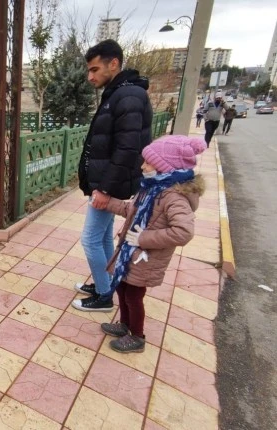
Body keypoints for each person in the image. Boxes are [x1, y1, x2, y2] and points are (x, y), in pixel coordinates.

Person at [95, 135, 206, 353]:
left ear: (165, 167)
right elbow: (131, 211)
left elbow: (183, 232)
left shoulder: (174, 197)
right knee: (123, 288)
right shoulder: (151, 189)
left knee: (134, 297)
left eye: (148, 162)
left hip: (146, 258)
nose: (143, 165)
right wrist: (109, 204)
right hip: (131, 253)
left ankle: (137, 337)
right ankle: (125, 325)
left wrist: (143, 239)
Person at [72, 39, 153, 312]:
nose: (90, 76)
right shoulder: (119, 93)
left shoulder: (127, 95)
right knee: (104, 237)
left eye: (95, 69)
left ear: (114, 63)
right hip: (110, 181)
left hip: (112, 184)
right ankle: (106, 281)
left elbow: (128, 149)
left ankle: (105, 296)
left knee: (91, 239)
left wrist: (104, 189)